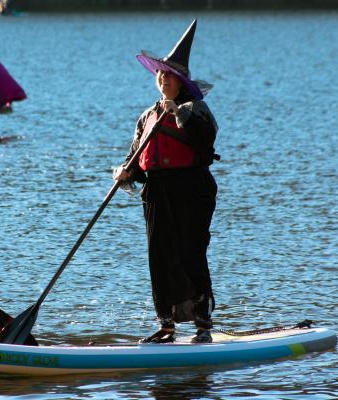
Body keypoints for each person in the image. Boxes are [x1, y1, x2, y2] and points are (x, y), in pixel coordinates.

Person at [114, 20, 219, 344]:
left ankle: (202, 324)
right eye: (161, 74)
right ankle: (167, 325)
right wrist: (125, 173)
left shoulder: (196, 110)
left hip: (191, 189)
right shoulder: (147, 116)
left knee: (190, 252)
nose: (164, 79)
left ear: (181, 82)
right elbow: (138, 158)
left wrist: (178, 114)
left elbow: (205, 142)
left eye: (170, 76)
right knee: (159, 257)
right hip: (157, 192)